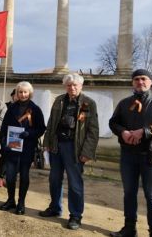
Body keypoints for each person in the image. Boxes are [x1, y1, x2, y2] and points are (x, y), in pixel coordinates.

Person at [39, 73, 99, 230]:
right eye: (69, 85)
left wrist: (87, 151)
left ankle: (75, 215)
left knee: (75, 183)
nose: (72, 88)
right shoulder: (59, 100)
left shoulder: (88, 103)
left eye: (75, 85)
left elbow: (93, 130)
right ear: (65, 86)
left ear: (81, 86)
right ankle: (55, 207)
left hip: (75, 149)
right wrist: (46, 142)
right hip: (56, 146)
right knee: (54, 179)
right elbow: (51, 123)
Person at [109, 69, 152, 237]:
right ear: (132, 83)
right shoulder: (124, 103)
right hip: (128, 155)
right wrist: (123, 132)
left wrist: (144, 132)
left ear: (150, 82)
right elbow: (113, 122)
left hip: (150, 156)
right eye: (136, 79)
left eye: (143, 79)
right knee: (129, 193)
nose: (140, 82)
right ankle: (129, 229)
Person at [0, 81, 46, 215]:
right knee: (10, 176)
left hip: (27, 148)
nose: (23, 94)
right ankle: (10, 200)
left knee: (24, 176)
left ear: (29, 93)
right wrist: (3, 143)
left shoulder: (35, 109)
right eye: (20, 92)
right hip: (12, 147)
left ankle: (21, 203)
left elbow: (41, 128)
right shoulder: (11, 108)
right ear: (17, 93)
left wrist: (29, 133)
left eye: (25, 92)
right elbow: (4, 127)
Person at [0, 89, 17, 188]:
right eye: (15, 94)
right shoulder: (6, 106)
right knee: (4, 157)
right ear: (12, 96)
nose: (17, 96)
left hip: (16, 135)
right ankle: (0, 177)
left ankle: (10, 178)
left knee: (13, 158)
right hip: (5, 134)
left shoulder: (24, 107)